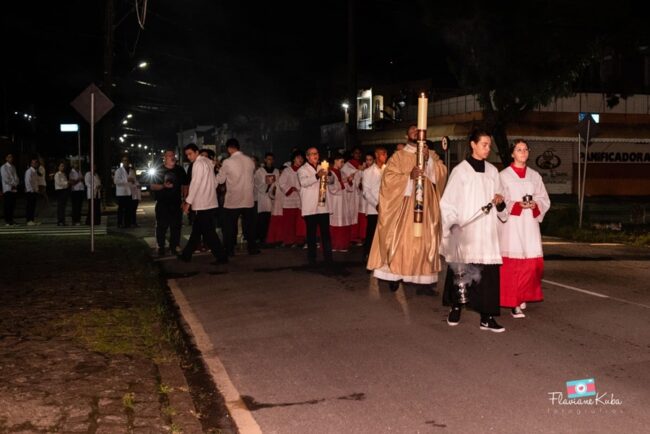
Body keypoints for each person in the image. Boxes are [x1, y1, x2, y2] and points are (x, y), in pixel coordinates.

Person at [440, 129, 508, 333]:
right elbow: (447, 203)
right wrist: (453, 225)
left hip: (487, 232)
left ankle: (487, 317)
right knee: (461, 272)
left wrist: (500, 202)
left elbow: (501, 200)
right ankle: (456, 307)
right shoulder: (460, 171)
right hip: (466, 231)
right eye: (484, 144)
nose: (488, 149)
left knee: (488, 276)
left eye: (489, 145)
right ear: (473, 144)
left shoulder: (493, 172)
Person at [367, 136, 447, 292]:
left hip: (426, 208)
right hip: (404, 208)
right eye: (412, 130)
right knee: (400, 242)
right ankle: (395, 275)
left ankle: (423, 278)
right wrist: (409, 177)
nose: (415, 133)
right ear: (407, 136)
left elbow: (442, 173)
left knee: (425, 243)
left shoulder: (430, 154)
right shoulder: (398, 156)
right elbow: (388, 178)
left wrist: (429, 161)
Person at [498, 139, 550, 318]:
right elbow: (500, 200)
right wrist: (516, 205)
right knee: (514, 266)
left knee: (532, 265)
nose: (523, 152)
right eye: (519, 149)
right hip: (512, 225)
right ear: (512, 153)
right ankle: (514, 302)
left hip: (530, 224)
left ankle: (523, 295)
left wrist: (536, 204)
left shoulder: (535, 176)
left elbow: (544, 198)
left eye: (525, 149)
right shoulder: (503, 176)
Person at [178, 143, 227, 263]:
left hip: (203, 204)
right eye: (187, 155)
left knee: (208, 232)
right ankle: (186, 255)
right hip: (209, 202)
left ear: (196, 152)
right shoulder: (207, 162)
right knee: (198, 231)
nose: (188, 157)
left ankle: (221, 257)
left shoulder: (198, 163)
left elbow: (195, 183)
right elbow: (214, 181)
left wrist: (188, 202)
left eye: (190, 154)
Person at [216, 138, 260, 255]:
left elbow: (220, 180)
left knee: (230, 226)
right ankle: (252, 248)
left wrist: (218, 170)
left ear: (229, 148)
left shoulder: (228, 162)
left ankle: (229, 250)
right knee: (249, 226)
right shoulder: (249, 160)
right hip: (248, 198)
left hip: (233, 199)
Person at [298, 147, 334, 265]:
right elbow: (304, 182)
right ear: (307, 157)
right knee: (311, 234)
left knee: (325, 233)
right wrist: (317, 175)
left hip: (323, 205)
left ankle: (328, 257)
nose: (315, 155)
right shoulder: (302, 169)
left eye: (317, 153)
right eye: (312, 154)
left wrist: (329, 174)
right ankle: (312, 258)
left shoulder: (322, 167)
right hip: (310, 206)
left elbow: (332, 181)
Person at [150, 150, 188, 255]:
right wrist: (163, 186)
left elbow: (185, 185)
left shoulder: (180, 170)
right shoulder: (159, 170)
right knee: (162, 226)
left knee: (176, 227)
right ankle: (161, 247)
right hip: (162, 203)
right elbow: (152, 186)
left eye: (173, 155)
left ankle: (174, 246)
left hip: (176, 203)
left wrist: (185, 199)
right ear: (165, 158)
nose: (172, 157)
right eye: (169, 155)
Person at [273, 150, 305, 247]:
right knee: (289, 222)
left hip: (300, 199)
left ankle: (299, 241)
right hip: (289, 200)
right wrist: (291, 189)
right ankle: (289, 240)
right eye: (298, 158)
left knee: (299, 222)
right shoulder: (287, 170)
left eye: (302, 158)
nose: (300, 160)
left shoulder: (304, 170)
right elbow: (281, 183)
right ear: (294, 159)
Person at [361, 147, 387, 260]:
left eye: (386, 154)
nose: (385, 156)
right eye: (383, 154)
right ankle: (368, 254)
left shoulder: (388, 169)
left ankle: (383, 254)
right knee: (371, 232)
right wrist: (376, 204)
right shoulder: (368, 172)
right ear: (376, 155)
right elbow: (366, 191)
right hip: (374, 207)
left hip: (387, 206)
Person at [328, 153, 354, 252]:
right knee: (335, 223)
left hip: (343, 201)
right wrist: (343, 182)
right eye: (341, 161)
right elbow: (332, 189)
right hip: (335, 201)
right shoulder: (330, 173)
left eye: (343, 162)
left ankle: (342, 245)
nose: (343, 164)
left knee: (343, 222)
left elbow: (348, 188)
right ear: (335, 161)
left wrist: (349, 181)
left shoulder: (342, 173)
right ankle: (334, 245)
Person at [254, 152, 279, 246]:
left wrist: (274, 188)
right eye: (268, 159)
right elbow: (257, 183)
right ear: (265, 160)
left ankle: (271, 238)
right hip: (263, 198)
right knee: (262, 219)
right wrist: (267, 184)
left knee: (271, 219)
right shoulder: (260, 171)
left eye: (271, 159)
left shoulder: (276, 171)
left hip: (273, 199)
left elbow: (278, 183)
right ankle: (262, 238)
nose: (270, 161)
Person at [1, 153, 20, 226]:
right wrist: (13, 183)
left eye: (11, 157)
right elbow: (5, 179)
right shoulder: (3, 167)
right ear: (6, 158)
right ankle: (7, 220)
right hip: (7, 188)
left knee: (12, 205)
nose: (11, 158)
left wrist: (16, 183)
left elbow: (16, 177)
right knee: (7, 204)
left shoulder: (13, 167)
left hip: (14, 188)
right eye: (9, 157)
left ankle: (11, 219)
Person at [114, 156, 132, 228]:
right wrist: (126, 180)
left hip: (128, 192)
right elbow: (116, 181)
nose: (126, 162)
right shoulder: (119, 171)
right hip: (121, 193)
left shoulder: (130, 170)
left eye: (127, 160)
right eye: (124, 160)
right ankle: (119, 223)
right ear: (122, 162)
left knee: (128, 209)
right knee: (121, 209)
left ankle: (127, 223)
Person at [24, 157, 40, 225]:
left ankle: (32, 220)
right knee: (29, 206)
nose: (35, 164)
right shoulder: (29, 171)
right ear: (31, 164)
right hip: (30, 192)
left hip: (34, 191)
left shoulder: (35, 171)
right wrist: (31, 190)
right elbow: (28, 181)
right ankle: (28, 220)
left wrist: (37, 189)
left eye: (36, 163)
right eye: (33, 163)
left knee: (33, 206)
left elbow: (36, 182)